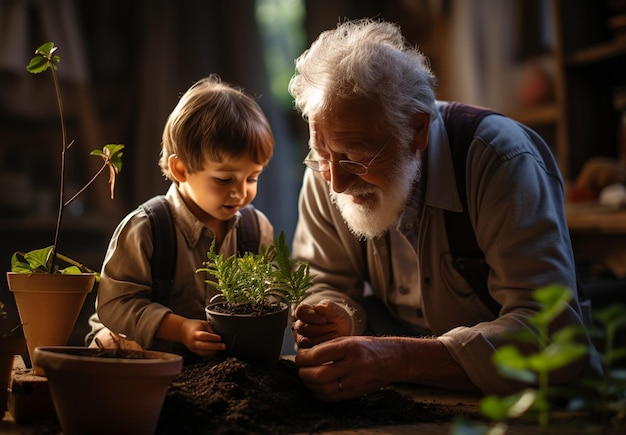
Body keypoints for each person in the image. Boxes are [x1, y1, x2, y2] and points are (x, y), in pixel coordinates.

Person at [288, 19, 603, 401]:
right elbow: (322, 278)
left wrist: (398, 358)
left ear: (417, 130)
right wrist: (335, 315)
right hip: (407, 393)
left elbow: (552, 336)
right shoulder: (330, 166)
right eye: (322, 155)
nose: (336, 181)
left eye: (356, 156)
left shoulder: (500, 159)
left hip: (524, 403)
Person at [87, 75, 275, 361]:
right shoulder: (147, 227)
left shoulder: (255, 229)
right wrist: (180, 329)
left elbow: (272, 293)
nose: (240, 193)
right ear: (180, 169)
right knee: (110, 345)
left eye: (252, 177)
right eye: (224, 180)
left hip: (218, 364)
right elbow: (117, 303)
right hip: (146, 355)